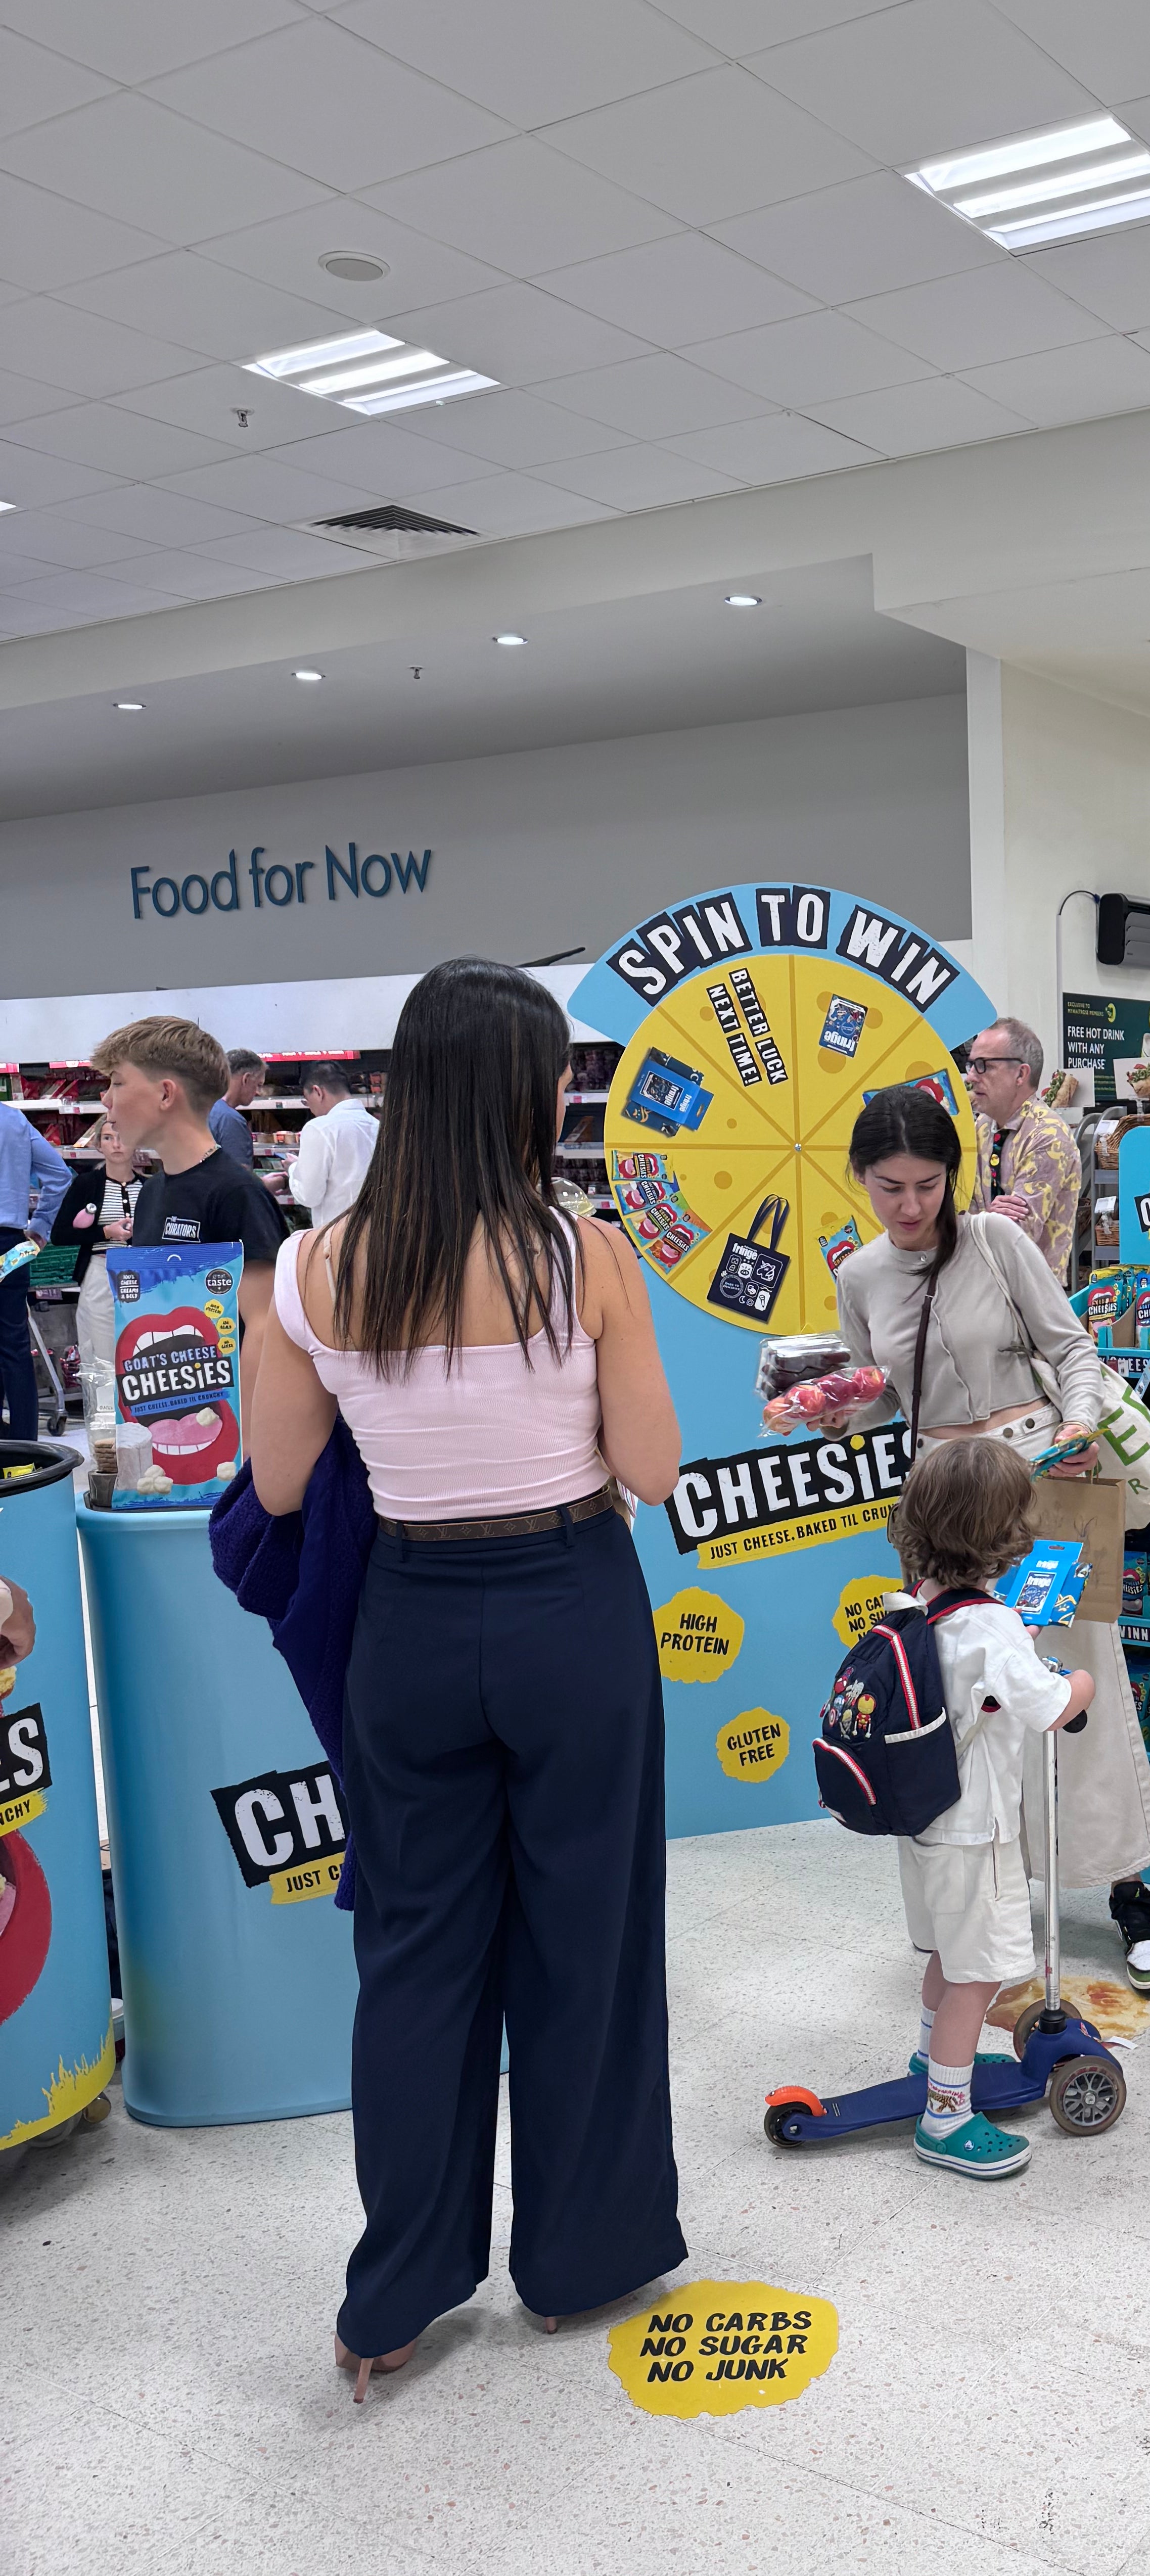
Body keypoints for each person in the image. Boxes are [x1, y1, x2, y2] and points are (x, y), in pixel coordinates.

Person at [245, 959, 687, 2400]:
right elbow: (649, 1470)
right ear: (520, 1089)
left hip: (410, 1628)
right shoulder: (588, 1254)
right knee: (589, 1944)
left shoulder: (314, 1266)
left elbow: (281, 1476)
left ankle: (396, 2296)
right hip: (571, 1608)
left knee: (418, 1959)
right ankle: (577, 2264)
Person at [830, 1086, 1150, 1995]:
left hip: (1043, 1490)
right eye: (888, 1186)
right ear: (861, 1181)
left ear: (954, 1174)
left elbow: (1073, 1350)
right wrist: (827, 1405)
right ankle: (969, 1914)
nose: (910, 1207)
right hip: (938, 1512)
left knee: (1077, 1691)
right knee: (957, 1712)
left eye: (927, 1183)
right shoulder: (860, 1276)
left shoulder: (996, 1240)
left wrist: (1080, 1420)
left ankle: (1129, 1894)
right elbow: (874, 1397)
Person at [885, 1437, 1095, 2177]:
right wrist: (1079, 1686)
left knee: (950, 1951)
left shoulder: (920, 1606)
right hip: (980, 1830)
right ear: (1010, 1536)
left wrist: (1018, 1649)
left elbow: (970, 1680)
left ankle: (927, 2060)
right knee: (979, 1977)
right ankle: (946, 2118)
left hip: (925, 1820)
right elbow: (1045, 1707)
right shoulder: (996, 1625)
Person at [90, 1017, 286, 1415]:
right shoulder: (152, 1193)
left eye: (117, 1082)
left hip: (228, 1437)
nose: (106, 1100)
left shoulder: (236, 1194)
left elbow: (266, 1330)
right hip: (164, 1419)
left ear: (166, 1094)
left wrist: (247, 1447)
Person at [965, 1018, 1081, 1278]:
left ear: (1021, 1074)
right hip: (983, 1287)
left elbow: (1014, 1236)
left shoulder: (1047, 1136)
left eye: (984, 1066)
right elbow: (957, 1207)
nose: (971, 1076)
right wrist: (982, 1218)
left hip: (1029, 1300)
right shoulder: (982, 1126)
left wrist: (973, 1220)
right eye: (971, 1065)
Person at [50, 1116, 143, 1438]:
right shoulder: (86, 1185)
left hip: (145, 1278)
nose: (116, 1144)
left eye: (122, 1136)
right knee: (102, 1362)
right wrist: (106, 1231)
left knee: (141, 1355)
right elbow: (60, 1234)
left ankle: (141, 1433)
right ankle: (105, 1443)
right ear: (98, 1145)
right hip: (101, 1272)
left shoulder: (152, 1186)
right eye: (107, 1138)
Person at [0, 1096, 67, 1445]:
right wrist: (40, 1226)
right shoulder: (14, 1122)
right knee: (13, 1345)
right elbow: (59, 1175)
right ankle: (25, 1451)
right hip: (9, 1243)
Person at [290, 1060, 379, 1223]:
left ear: (318, 1092)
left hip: (335, 1238)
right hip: (375, 1233)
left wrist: (293, 1169)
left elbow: (309, 1196)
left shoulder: (319, 1128)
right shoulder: (377, 1126)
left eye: (307, 1101)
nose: (310, 1109)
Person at [208, 1047, 263, 1163]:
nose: (258, 1092)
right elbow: (238, 1179)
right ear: (246, 1079)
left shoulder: (201, 1108)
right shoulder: (230, 1120)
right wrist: (268, 1182)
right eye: (259, 1085)